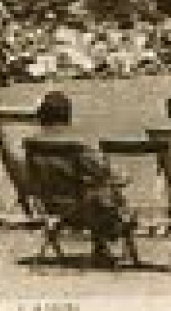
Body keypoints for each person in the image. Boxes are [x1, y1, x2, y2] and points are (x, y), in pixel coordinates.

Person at [31, 91, 132, 267]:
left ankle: (102, 246)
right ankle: (106, 240)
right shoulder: (75, 144)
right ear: (68, 116)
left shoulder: (32, 144)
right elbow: (102, 171)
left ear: (42, 116)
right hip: (83, 210)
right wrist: (122, 177)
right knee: (106, 191)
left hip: (51, 207)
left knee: (95, 189)